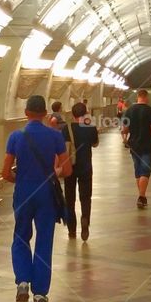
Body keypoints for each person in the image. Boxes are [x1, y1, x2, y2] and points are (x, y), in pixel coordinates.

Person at [2, 95, 71, 302]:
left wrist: (20, 178)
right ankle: (40, 294)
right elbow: (67, 170)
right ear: (44, 114)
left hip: (23, 192)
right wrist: (51, 175)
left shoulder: (15, 137)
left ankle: (22, 281)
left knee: (21, 237)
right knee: (44, 240)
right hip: (46, 195)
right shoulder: (55, 136)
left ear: (26, 112)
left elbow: (5, 173)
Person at [64, 102, 99, 241]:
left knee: (69, 199)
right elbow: (95, 143)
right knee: (85, 197)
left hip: (69, 168)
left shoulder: (67, 128)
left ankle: (71, 229)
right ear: (85, 113)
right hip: (86, 167)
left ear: (72, 114)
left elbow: (62, 149)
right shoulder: (90, 126)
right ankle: (85, 220)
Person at [123, 88, 151, 209]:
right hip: (146, 145)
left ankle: (141, 196)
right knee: (145, 170)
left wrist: (124, 136)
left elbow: (125, 129)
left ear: (137, 97)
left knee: (138, 170)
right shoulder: (150, 111)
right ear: (146, 97)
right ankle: (141, 196)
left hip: (134, 145)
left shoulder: (129, 110)